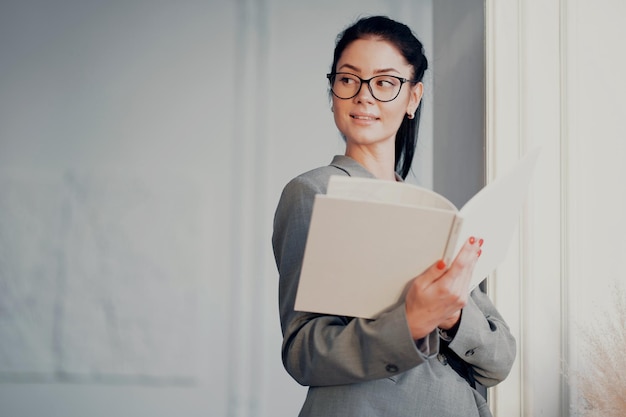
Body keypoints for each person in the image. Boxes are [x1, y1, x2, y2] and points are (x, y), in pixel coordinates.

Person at [272, 15, 516, 417]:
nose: (364, 96)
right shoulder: (313, 192)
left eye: (385, 82)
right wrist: (412, 321)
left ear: (413, 98)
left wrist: (453, 316)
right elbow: (302, 352)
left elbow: (499, 360)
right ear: (333, 91)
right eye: (349, 79)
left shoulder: (438, 217)